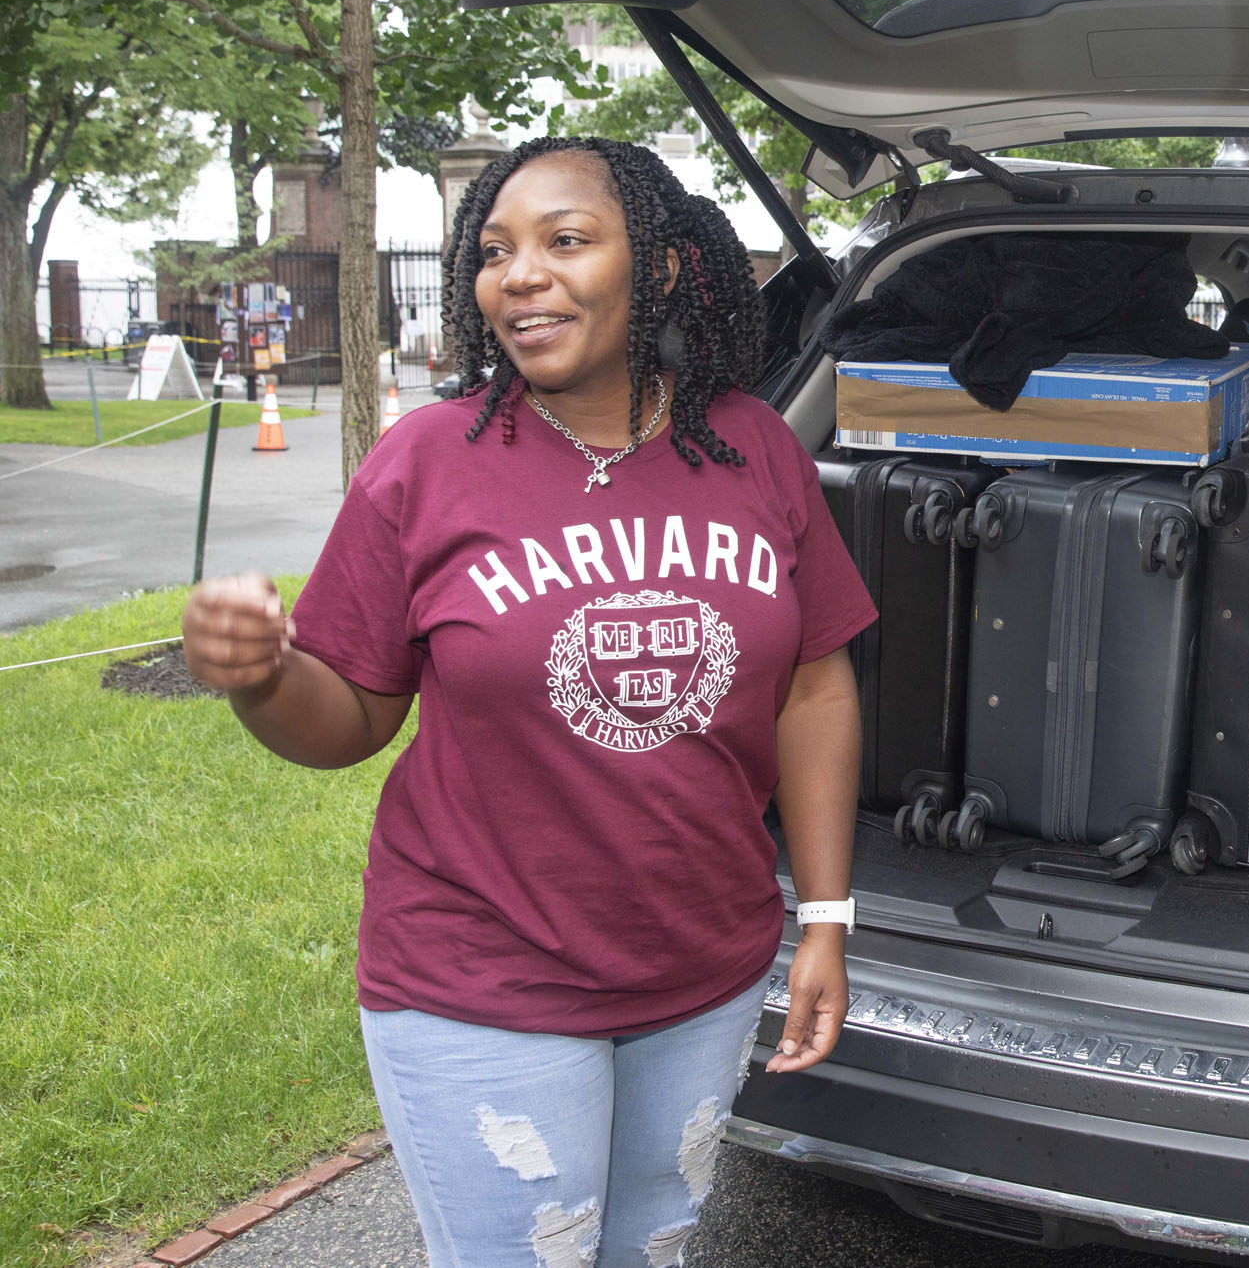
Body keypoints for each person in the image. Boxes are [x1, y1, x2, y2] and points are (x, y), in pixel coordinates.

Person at [181, 137, 875, 1267]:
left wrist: (827, 918)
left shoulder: (752, 447)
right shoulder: (428, 460)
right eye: (497, 250)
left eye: (567, 240)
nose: (521, 274)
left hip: (702, 970)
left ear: (652, 268)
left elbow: (812, 680)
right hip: (480, 978)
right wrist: (262, 675)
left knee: (651, 1252)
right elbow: (351, 716)